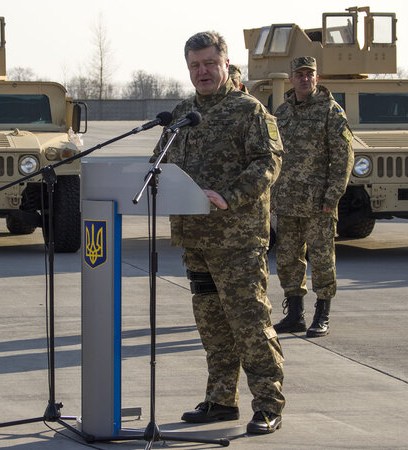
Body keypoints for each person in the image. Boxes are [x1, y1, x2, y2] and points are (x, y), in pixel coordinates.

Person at [152, 31, 285, 434]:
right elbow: (161, 160)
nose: (202, 72)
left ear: (225, 64)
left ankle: (268, 404)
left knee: (249, 322)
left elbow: (269, 162)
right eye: (195, 65)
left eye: (210, 63)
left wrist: (229, 196)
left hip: (237, 238)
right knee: (212, 325)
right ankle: (221, 399)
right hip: (196, 238)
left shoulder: (249, 111)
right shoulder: (181, 113)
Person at [271, 56, 354, 338]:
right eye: (299, 74)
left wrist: (333, 195)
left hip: (319, 203)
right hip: (286, 202)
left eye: (310, 74)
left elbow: (344, 158)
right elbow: (272, 156)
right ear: (291, 78)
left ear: (317, 78)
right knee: (288, 259)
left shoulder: (331, 111)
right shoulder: (281, 113)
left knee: (322, 259)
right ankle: (294, 314)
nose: (305, 79)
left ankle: (322, 314)